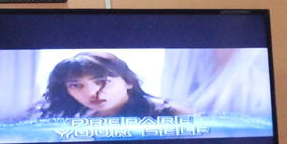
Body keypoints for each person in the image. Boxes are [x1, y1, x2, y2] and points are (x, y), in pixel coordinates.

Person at [34, 51, 188, 119]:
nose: (91, 92)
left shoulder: (171, 113)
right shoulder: (72, 116)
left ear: (129, 82)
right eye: (76, 85)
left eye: (103, 82)